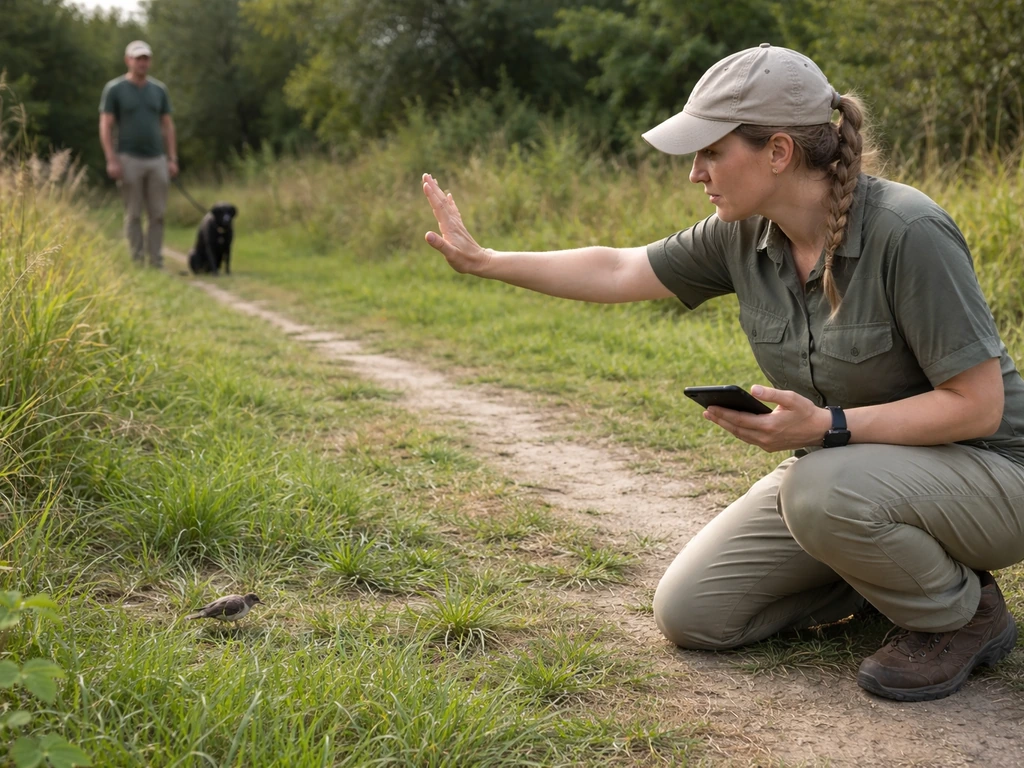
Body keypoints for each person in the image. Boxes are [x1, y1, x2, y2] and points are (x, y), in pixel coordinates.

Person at [421, 43, 1024, 703]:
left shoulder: (909, 232)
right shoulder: (741, 234)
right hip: (858, 476)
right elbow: (619, 268)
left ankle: (964, 616)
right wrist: (488, 260)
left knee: (818, 491)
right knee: (693, 613)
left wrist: (828, 426)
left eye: (711, 151)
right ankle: (888, 571)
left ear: (778, 153)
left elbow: (977, 406)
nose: (695, 173)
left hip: (990, 472)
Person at [99, 40, 179, 268]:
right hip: (128, 158)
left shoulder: (159, 90)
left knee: (158, 214)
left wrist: (172, 158)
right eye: (138, 58)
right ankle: (137, 260)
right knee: (133, 213)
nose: (142, 62)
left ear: (150, 61)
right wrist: (111, 159)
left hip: (157, 158)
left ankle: (156, 261)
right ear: (128, 60)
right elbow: (105, 125)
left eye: (146, 58)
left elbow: (167, 125)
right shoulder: (115, 89)